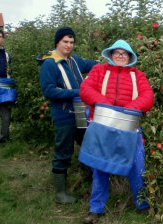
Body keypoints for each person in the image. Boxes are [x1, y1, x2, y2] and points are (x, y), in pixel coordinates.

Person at [78, 39, 154, 224]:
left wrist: (128, 108)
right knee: (100, 167)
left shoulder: (138, 75)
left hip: (129, 128)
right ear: (110, 55)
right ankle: (96, 210)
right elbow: (85, 89)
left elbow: (148, 96)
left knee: (137, 166)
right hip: (103, 126)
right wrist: (104, 103)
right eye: (117, 52)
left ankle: (142, 205)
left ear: (129, 57)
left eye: (124, 53)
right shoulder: (99, 71)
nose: (120, 56)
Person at [37, 27, 97, 204]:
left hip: (80, 113)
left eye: (71, 42)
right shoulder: (49, 64)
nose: (69, 45)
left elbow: (90, 64)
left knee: (87, 144)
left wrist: (109, 62)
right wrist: (75, 93)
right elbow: (48, 90)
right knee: (64, 150)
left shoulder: (74, 61)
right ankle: (60, 193)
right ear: (57, 42)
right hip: (63, 114)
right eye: (65, 42)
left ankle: (89, 178)